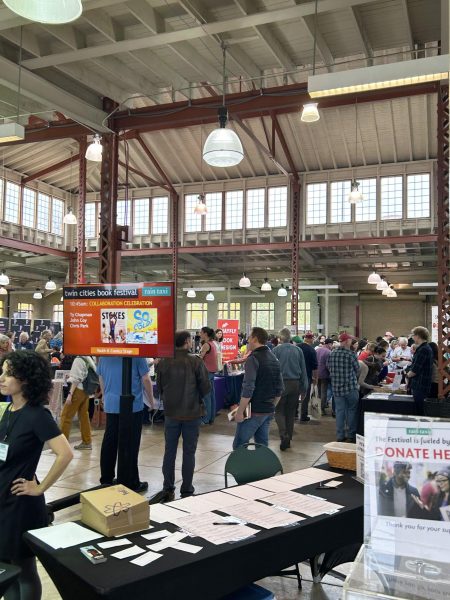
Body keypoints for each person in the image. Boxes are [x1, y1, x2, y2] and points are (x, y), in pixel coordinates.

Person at [0, 351, 73, 600]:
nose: (2, 377)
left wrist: (39, 488)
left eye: (8, 373)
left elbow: (65, 454)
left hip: (20, 505)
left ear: (26, 379)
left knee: (23, 570)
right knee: (5, 570)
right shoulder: (8, 409)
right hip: (2, 500)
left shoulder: (37, 415)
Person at [154, 331, 211, 502]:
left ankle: (168, 487)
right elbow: (206, 388)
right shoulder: (195, 361)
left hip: (171, 413)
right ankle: (186, 489)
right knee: (189, 452)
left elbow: (160, 388)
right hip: (192, 413)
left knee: (169, 451)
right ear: (187, 342)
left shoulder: (163, 362)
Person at [97, 356, 154, 492]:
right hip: (131, 407)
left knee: (109, 442)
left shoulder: (105, 356)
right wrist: (152, 402)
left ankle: (106, 479)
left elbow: (101, 377)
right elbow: (146, 379)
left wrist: (104, 395)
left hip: (111, 404)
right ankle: (130, 481)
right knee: (130, 444)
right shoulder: (136, 356)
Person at [232, 327, 283, 449]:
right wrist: (272, 407)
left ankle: (240, 469)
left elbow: (248, 388)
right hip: (267, 410)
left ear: (255, 339)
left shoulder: (253, 359)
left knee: (239, 446)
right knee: (262, 447)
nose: (247, 340)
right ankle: (261, 468)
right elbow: (280, 388)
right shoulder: (274, 358)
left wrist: (240, 412)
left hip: (253, 410)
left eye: (249, 337)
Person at [273, 328, 307, 451]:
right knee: (291, 412)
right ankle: (289, 438)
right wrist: (304, 389)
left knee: (279, 410)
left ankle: (283, 435)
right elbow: (303, 370)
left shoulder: (275, 350)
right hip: (295, 384)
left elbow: (273, 370)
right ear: (290, 338)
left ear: (280, 338)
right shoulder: (298, 350)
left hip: (281, 383)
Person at [327, 333, 360, 443]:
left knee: (340, 411)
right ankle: (351, 435)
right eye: (350, 340)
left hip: (336, 387)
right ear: (346, 341)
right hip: (350, 387)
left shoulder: (332, 353)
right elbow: (357, 369)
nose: (351, 342)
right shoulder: (351, 354)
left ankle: (340, 436)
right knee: (352, 411)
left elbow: (328, 367)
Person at [59, 355, 97, 450]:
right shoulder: (90, 358)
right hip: (86, 391)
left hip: (77, 391)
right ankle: (87, 441)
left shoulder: (78, 359)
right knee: (84, 416)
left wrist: (70, 394)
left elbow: (76, 379)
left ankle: (62, 446)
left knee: (66, 416)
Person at [405, 326, 433, 414]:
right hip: (421, 385)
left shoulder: (423, 349)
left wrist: (406, 375)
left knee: (419, 412)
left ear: (418, 336)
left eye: (413, 335)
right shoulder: (426, 348)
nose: (412, 337)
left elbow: (415, 370)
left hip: (419, 385)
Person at [199, 327, 218, 425]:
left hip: (207, 372)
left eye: (201, 332)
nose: (199, 334)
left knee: (206, 396)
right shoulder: (213, 344)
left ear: (205, 334)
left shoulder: (206, 345)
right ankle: (211, 417)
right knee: (211, 396)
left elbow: (200, 358)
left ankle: (206, 419)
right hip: (212, 372)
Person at [298, 332, 318, 422]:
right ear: (310, 339)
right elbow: (315, 366)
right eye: (312, 338)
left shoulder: (296, 347)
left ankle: (294, 412)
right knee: (305, 396)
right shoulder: (311, 350)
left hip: (296, 375)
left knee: (295, 395)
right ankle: (303, 415)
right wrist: (316, 378)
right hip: (307, 376)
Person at [315, 338, 334, 413]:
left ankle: (318, 407)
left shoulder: (317, 350)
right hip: (324, 374)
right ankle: (321, 408)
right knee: (324, 392)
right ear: (329, 344)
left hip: (317, 374)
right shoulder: (329, 352)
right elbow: (328, 365)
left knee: (319, 392)